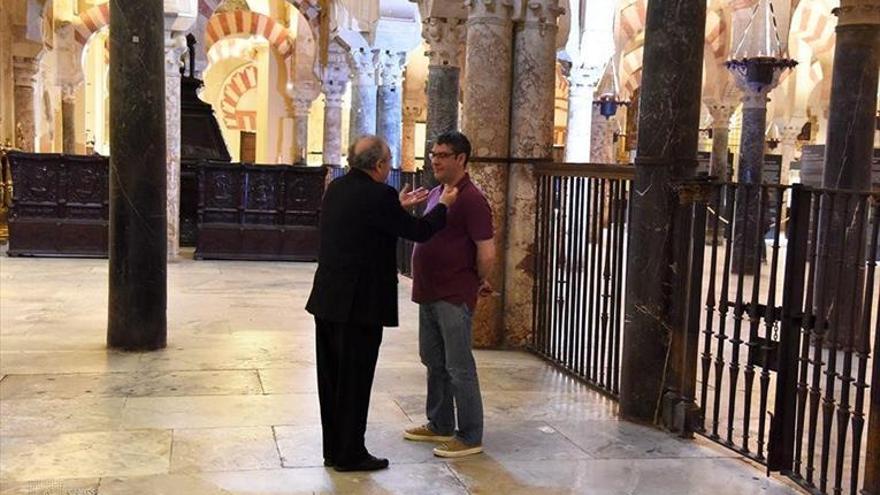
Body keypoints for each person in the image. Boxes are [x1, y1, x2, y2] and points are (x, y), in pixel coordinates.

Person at [306, 135, 458, 472]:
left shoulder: (337, 188)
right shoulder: (380, 195)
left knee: (331, 380)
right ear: (378, 165)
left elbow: (363, 222)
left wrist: (395, 208)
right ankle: (351, 454)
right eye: (388, 162)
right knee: (355, 381)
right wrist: (444, 204)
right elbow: (419, 232)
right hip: (359, 306)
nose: (389, 168)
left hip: (327, 301)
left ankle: (334, 449)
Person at [403, 131, 495, 458]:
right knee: (433, 360)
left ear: (461, 159)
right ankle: (440, 423)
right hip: (429, 290)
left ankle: (470, 435)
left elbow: (486, 251)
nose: (435, 160)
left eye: (442, 155)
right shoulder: (439, 193)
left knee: (459, 366)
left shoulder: (472, 198)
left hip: (453, 293)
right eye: (433, 154)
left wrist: (477, 280)